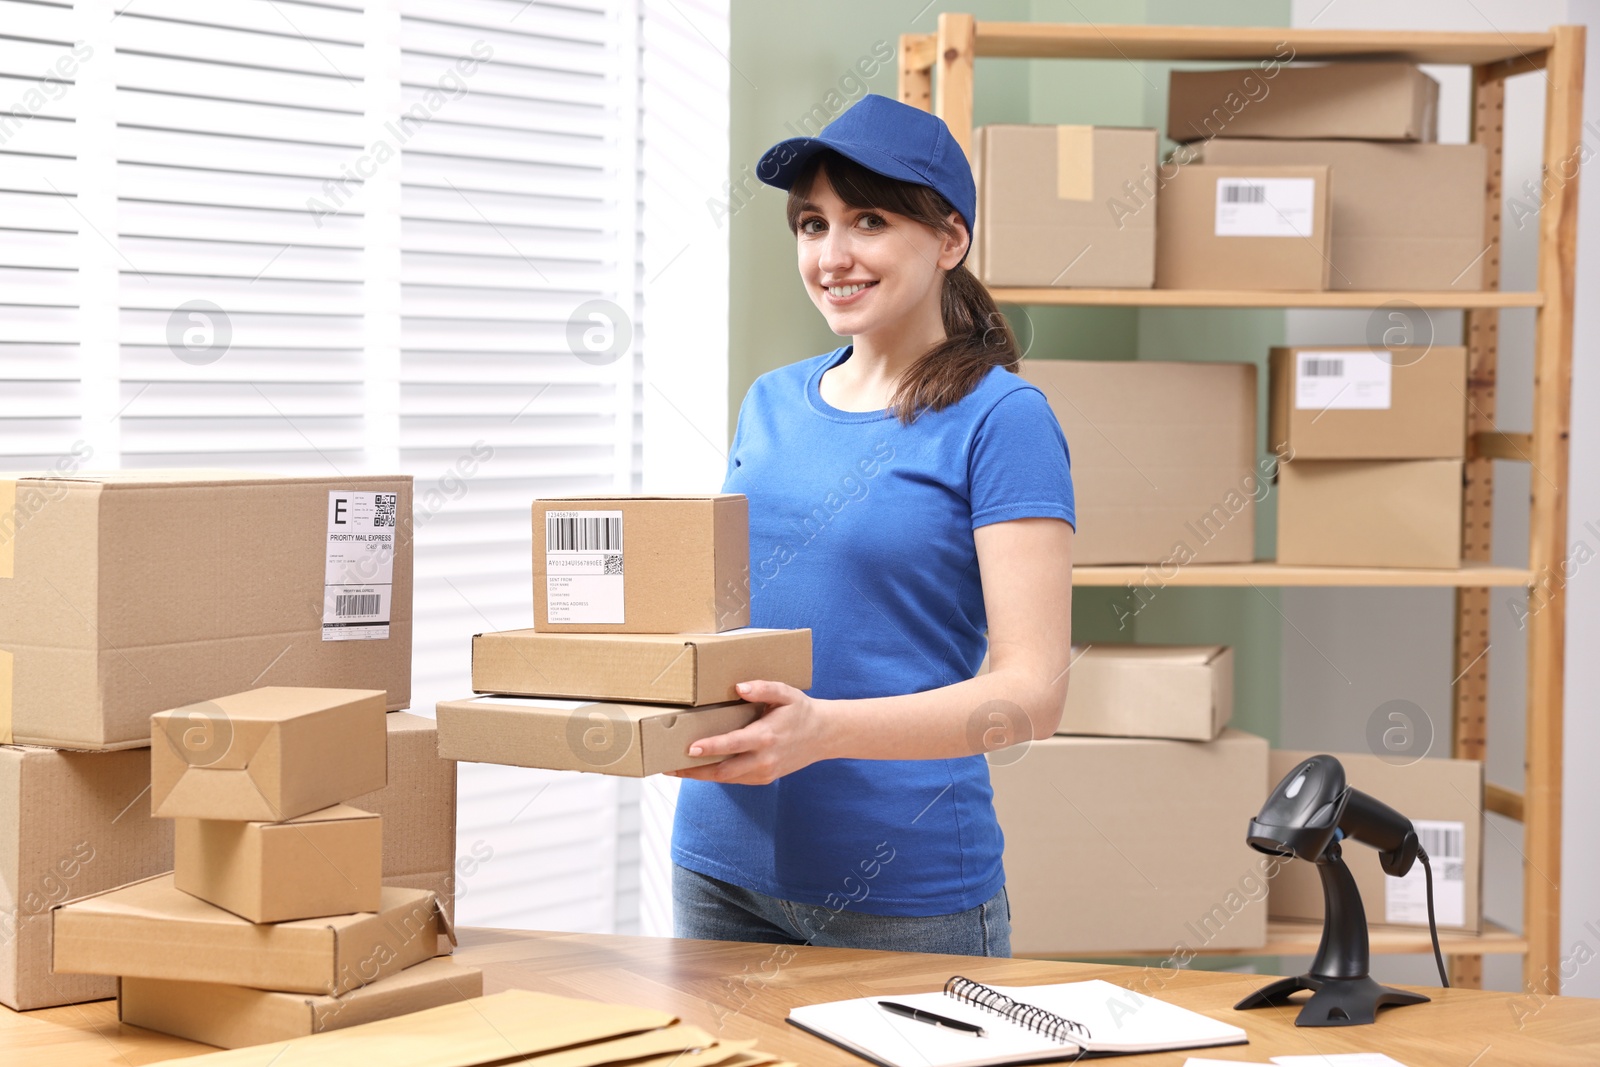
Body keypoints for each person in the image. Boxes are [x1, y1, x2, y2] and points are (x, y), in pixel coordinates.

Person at [667, 93, 1075, 958]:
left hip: (903, 886)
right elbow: (733, 617)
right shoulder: (769, 401)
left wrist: (825, 732)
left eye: (870, 220)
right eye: (812, 225)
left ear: (949, 241)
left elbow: (1034, 693)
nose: (833, 255)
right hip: (718, 863)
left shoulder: (1002, 420)